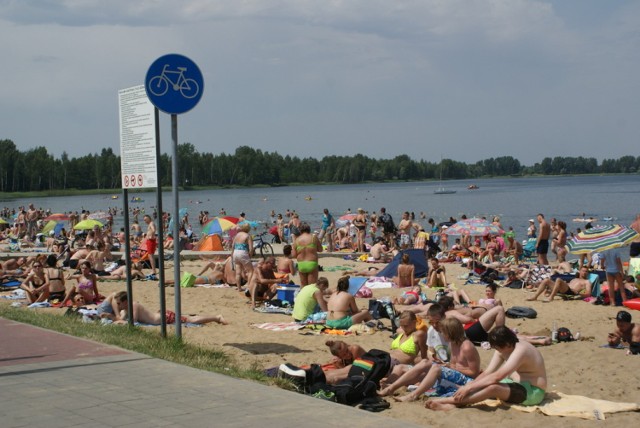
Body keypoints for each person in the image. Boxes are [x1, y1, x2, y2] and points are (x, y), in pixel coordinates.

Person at [426, 326, 547, 411]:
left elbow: (497, 376)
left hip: (533, 392)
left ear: (508, 344)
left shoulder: (521, 350)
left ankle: (450, 401)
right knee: (481, 383)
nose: (498, 352)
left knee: (492, 388)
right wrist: (471, 384)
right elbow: (489, 372)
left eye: (498, 348)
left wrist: (469, 387)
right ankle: (454, 405)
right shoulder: (504, 346)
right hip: (516, 384)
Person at [384, 318, 481, 401]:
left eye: (444, 332)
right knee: (425, 362)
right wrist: (445, 364)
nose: (442, 334)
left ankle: (413, 395)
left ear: (451, 332)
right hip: (455, 374)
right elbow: (452, 365)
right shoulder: (453, 343)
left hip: (466, 380)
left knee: (436, 368)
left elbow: (474, 372)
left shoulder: (467, 347)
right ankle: (391, 388)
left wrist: (449, 367)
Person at [115, 294, 228, 326]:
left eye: (119, 303)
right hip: (161, 316)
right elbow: (121, 319)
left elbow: (133, 322)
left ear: (125, 302)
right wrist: (111, 317)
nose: (117, 305)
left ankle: (217, 317)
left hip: (164, 317)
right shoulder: (125, 309)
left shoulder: (134, 305)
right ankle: (216, 317)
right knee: (188, 318)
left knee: (190, 320)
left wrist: (120, 321)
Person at [526, 266, 592, 302]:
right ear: (580, 271)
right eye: (583, 271)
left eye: (586, 271)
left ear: (587, 273)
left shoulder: (587, 281)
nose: (584, 273)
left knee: (558, 279)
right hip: (565, 289)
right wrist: (565, 284)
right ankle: (535, 297)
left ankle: (551, 297)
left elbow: (588, 293)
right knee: (546, 280)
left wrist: (579, 293)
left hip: (571, 292)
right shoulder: (575, 279)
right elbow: (569, 284)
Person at [291, 222, 322, 287]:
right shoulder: (313, 237)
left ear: (300, 230)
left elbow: (293, 255)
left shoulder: (297, 240)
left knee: (303, 286)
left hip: (301, 264)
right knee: (312, 286)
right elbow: (320, 249)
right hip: (312, 263)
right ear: (309, 229)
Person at [230, 223, 254, 293]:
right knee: (250, 271)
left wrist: (232, 255)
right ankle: (248, 287)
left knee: (238, 272)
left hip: (235, 252)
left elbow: (233, 245)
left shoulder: (237, 235)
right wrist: (250, 255)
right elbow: (251, 249)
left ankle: (239, 288)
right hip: (243, 253)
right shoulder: (248, 236)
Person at [142, 214, 158, 279]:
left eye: (146, 219)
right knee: (150, 255)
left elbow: (154, 230)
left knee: (150, 255)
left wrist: (151, 235)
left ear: (149, 218)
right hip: (151, 240)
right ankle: (153, 270)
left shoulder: (151, 223)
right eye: (144, 220)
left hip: (151, 241)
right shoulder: (151, 223)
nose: (145, 221)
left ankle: (153, 270)